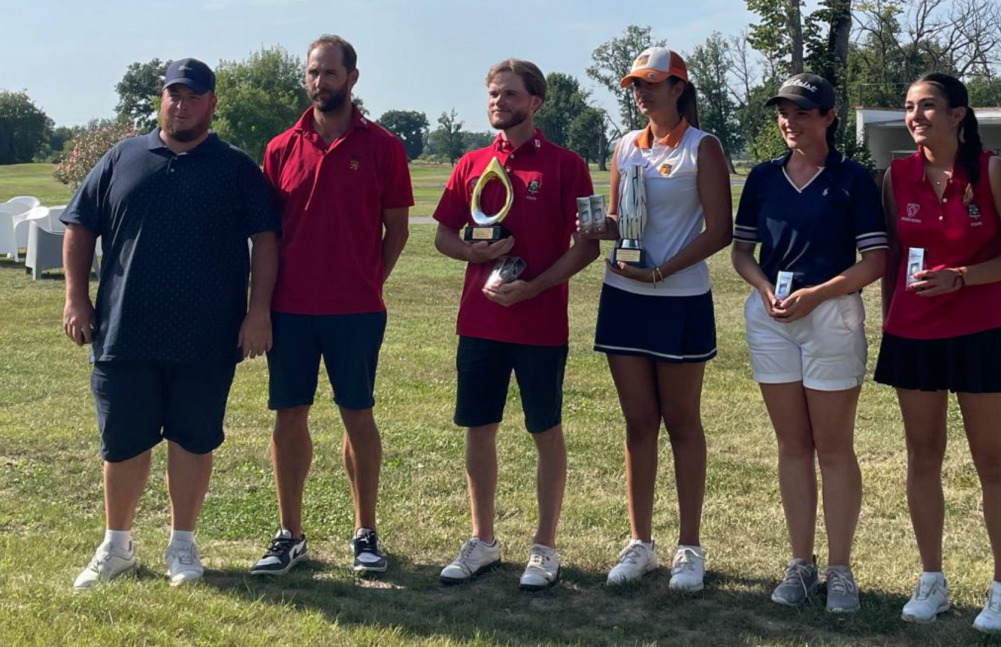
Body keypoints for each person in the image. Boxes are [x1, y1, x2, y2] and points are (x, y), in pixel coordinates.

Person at [62, 58, 280, 589]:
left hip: (206, 334)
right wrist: (75, 299)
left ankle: (182, 545)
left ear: (211, 104)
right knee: (124, 443)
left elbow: (266, 240)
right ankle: (116, 546)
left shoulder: (234, 167)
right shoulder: (122, 157)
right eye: (171, 95)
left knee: (192, 440)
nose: (179, 105)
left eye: (191, 96)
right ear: (160, 99)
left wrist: (258, 311)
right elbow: (79, 225)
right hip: (124, 330)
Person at [876, 72, 1001, 634]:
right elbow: (894, 256)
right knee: (922, 458)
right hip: (913, 334)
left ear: (958, 115)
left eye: (928, 106)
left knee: (992, 461)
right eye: (909, 108)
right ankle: (932, 580)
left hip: (981, 330)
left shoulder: (990, 170)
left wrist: (963, 278)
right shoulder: (895, 176)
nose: (916, 116)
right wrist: (888, 316)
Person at [250, 35, 413, 577]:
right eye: (313, 73)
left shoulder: (384, 146)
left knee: (357, 414)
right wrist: (263, 305)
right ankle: (289, 534)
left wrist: (369, 280)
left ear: (353, 77)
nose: (321, 82)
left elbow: (397, 230)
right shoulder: (280, 147)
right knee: (288, 415)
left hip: (356, 311)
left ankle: (365, 531)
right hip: (291, 310)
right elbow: (267, 236)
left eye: (331, 73)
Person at [432, 58, 597, 591]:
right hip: (479, 321)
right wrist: (477, 253)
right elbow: (443, 237)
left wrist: (536, 286)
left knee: (544, 430)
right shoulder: (472, 162)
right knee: (479, 429)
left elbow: (588, 245)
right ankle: (483, 541)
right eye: (492, 94)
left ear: (535, 102)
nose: (498, 102)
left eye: (509, 94)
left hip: (540, 323)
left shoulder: (568, 165)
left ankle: (545, 548)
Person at [730, 73, 887, 613]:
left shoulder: (854, 179)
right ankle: (801, 564)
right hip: (772, 315)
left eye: (802, 112)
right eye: (783, 112)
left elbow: (875, 262)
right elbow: (742, 254)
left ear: (828, 117)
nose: (790, 121)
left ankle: (840, 569)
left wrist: (817, 294)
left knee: (833, 445)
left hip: (833, 314)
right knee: (792, 445)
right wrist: (765, 288)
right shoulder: (763, 178)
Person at [579, 47, 731, 593]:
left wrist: (663, 271)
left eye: (653, 83)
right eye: (636, 85)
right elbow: (621, 219)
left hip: (679, 296)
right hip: (624, 293)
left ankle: (688, 546)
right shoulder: (625, 146)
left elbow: (720, 230)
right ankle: (640, 542)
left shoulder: (702, 147)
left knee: (682, 422)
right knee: (638, 423)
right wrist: (598, 230)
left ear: (678, 88)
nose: (641, 92)